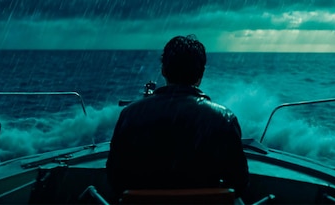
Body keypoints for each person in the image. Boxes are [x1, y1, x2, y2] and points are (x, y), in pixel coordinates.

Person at [106, 35, 249, 199]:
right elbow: (240, 183)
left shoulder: (129, 115)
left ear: (163, 70)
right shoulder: (224, 119)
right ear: (201, 74)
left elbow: (115, 179)